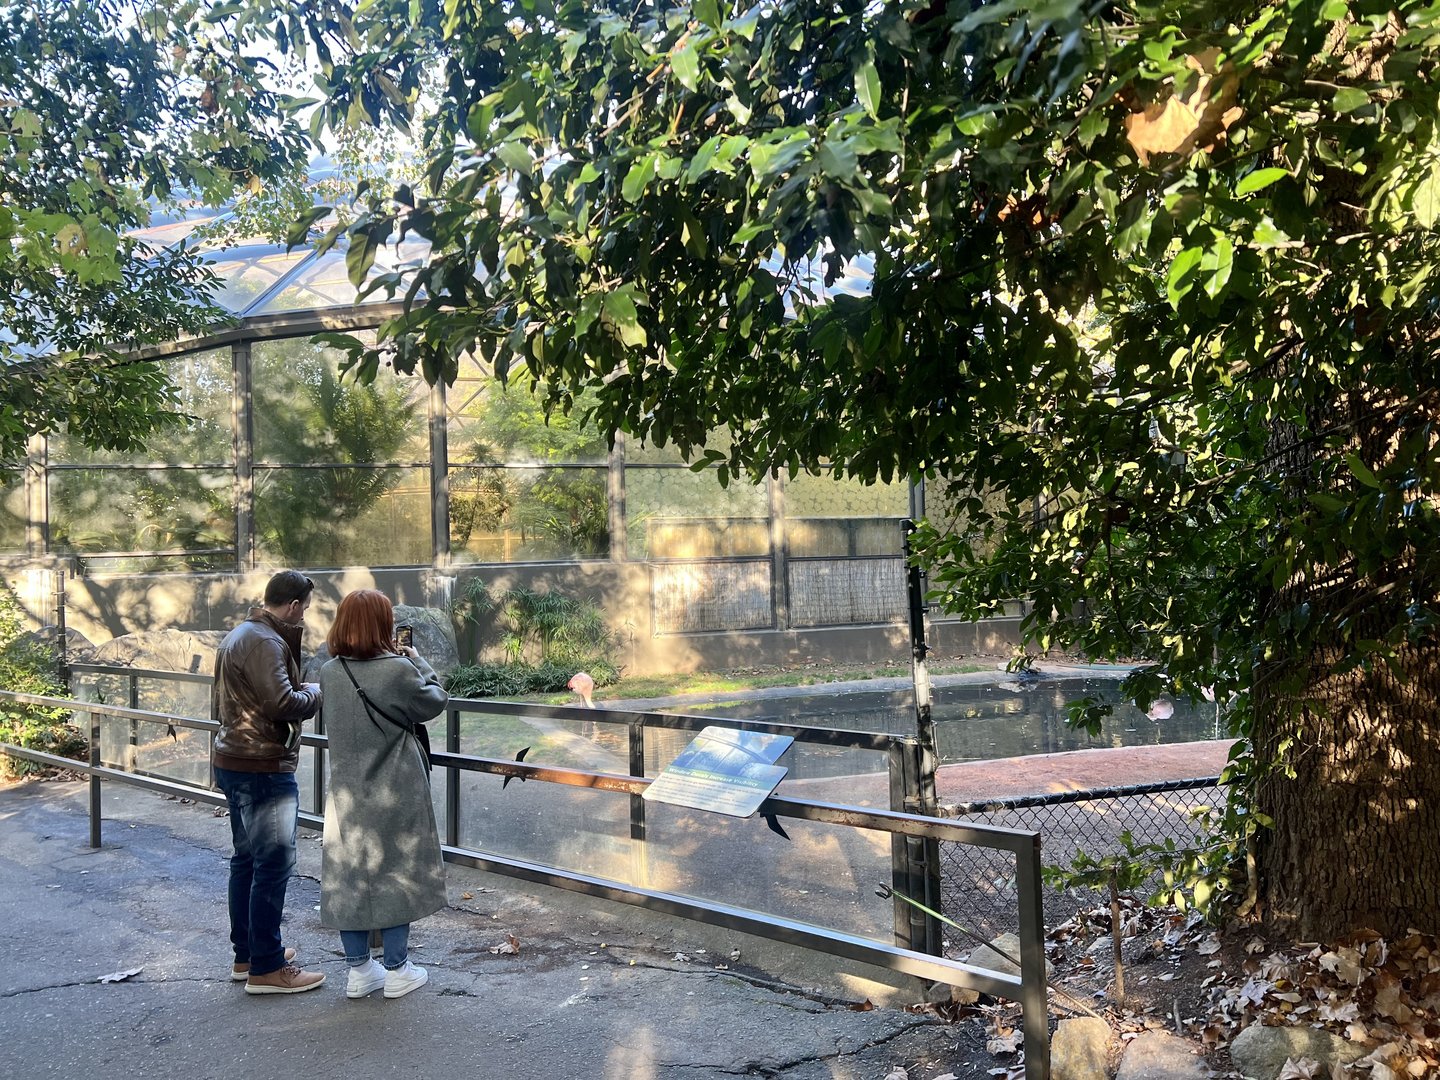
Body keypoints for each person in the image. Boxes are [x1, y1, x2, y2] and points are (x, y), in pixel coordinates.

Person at [319, 589, 449, 1000]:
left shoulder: (329, 671)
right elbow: (435, 701)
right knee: (397, 871)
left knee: (349, 874)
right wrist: (416, 659)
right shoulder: (397, 670)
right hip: (396, 787)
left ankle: (359, 971)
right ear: (382, 626)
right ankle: (397, 969)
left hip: (345, 791)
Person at [212, 570, 326, 994]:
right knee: (273, 864)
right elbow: (282, 703)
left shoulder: (241, 634)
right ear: (294, 605)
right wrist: (315, 692)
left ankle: (249, 953)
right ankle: (266, 967)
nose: (305, 618)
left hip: (234, 758)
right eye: (306, 609)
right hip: (261, 765)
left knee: (246, 860)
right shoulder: (265, 642)